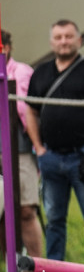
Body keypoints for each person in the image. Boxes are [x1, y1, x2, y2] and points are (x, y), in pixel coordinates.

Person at [23, 20, 84, 268]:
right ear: (52, 42)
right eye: (58, 37)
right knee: (54, 220)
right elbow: (30, 111)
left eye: (68, 36)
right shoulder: (41, 73)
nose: (63, 41)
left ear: (78, 40)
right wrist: (39, 148)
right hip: (51, 158)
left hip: (83, 156)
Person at [2, 29, 45, 257]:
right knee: (2, 215)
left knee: (26, 210)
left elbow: (26, 109)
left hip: (19, 149)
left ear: (7, 48)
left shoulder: (22, 72)